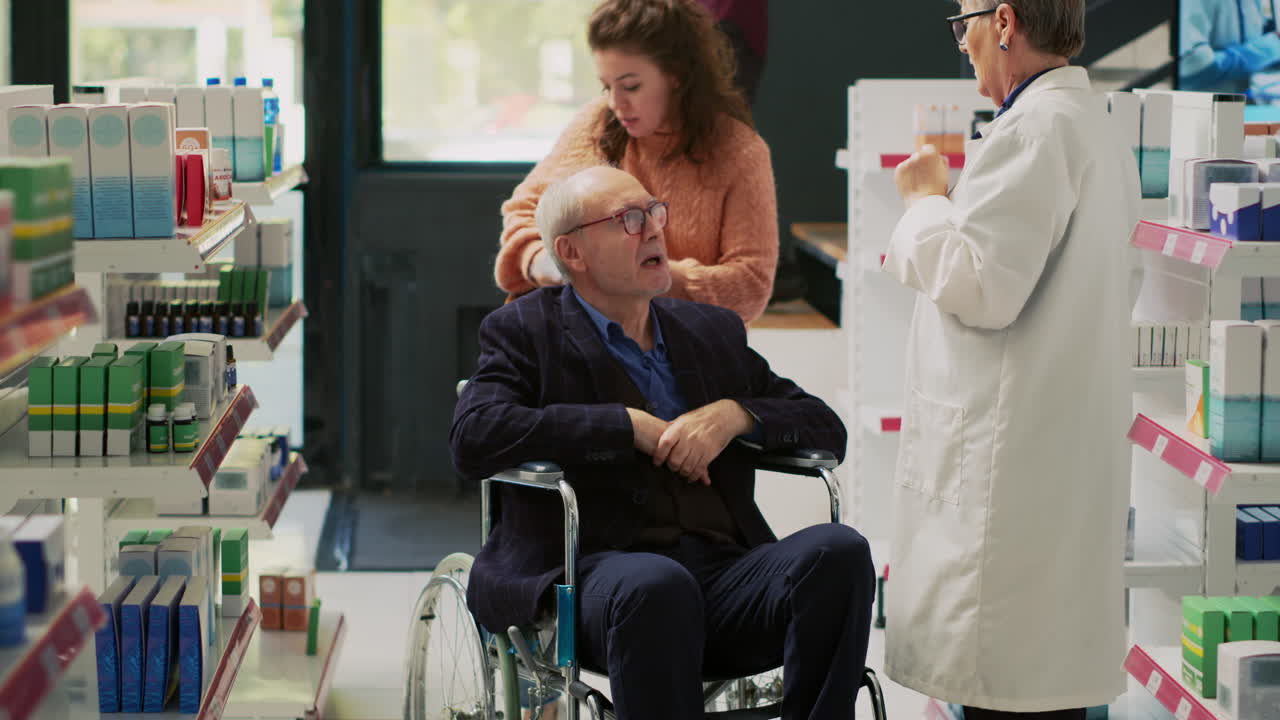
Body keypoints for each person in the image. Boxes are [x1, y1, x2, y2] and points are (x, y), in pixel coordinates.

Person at [454, 166, 873, 720]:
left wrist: (734, 416)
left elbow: (824, 427)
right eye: (628, 220)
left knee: (839, 553)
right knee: (656, 584)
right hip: (590, 576)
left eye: (654, 212)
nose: (652, 229)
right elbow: (475, 435)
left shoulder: (709, 331)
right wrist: (624, 426)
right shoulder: (525, 331)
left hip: (724, 574)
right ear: (572, 253)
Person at [885, 1, 1139, 719]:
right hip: (1049, 461)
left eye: (961, 22)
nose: (962, 44)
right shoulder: (1089, 129)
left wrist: (923, 203)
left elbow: (980, 285)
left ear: (1003, 21)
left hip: (1012, 485)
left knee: (1007, 687)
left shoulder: (1037, 128)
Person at [495, 0, 778, 325]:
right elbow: (523, 213)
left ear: (677, 74)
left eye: (631, 86)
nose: (616, 103)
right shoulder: (598, 122)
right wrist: (543, 262)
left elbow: (750, 285)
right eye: (607, 86)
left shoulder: (740, 152)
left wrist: (644, 274)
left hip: (676, 356)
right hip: (570, 345)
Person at [1181, 0, 1280, 93]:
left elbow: (1251, 33)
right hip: (1207, 106)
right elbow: (1193, 69)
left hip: (1252, 100)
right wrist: (1272, 46)